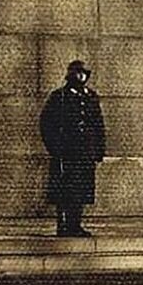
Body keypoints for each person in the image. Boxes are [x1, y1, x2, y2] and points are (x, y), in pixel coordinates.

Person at [39, 59, 105, 237]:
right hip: (66, 153)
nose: (81, 77)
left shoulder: (91, 97)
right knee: (64, 190)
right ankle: (63, 226)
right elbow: (46, 123)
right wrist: (55, 148)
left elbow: (98, 124)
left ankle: (75, 225)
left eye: (84, 73)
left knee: (81, 190)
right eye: (78, 73)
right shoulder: (59, 97)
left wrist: (98, 150)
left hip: (85, 153)